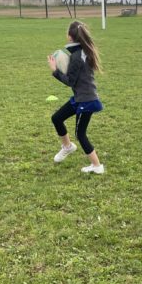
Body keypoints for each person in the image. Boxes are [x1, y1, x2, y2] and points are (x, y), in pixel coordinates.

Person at [48, 20, 105, 174]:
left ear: (69, 37)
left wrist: (55, 70)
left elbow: (70, 82)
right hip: (81, 98)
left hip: (85, 100)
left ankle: (97, 165)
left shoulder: (77, 56)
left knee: (80, 134)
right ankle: (67, 147)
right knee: (57, 118)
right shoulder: (85, 51)